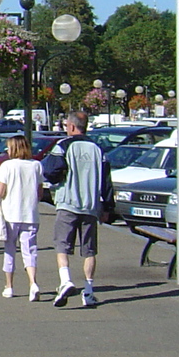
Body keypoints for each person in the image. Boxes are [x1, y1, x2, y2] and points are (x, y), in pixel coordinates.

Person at [50, 110, 104, 308]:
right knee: (89, 250)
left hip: (68, 202)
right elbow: (106, 179)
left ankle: (65, 281)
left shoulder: (64, 145)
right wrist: (107, 204)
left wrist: (57, 179)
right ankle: (88, 290)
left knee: (62, 245)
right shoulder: (98, 148)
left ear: (71, 127)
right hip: (90, 205)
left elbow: (51, 170)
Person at [0, 134, 44, 299]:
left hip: (11, 214)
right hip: (30, 214)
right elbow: (40, 192)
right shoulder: (36, 165)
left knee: (10, 250)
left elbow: (1, 191)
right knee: (30, 250)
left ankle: (9, 286)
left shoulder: (7, 166)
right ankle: (33, 283)